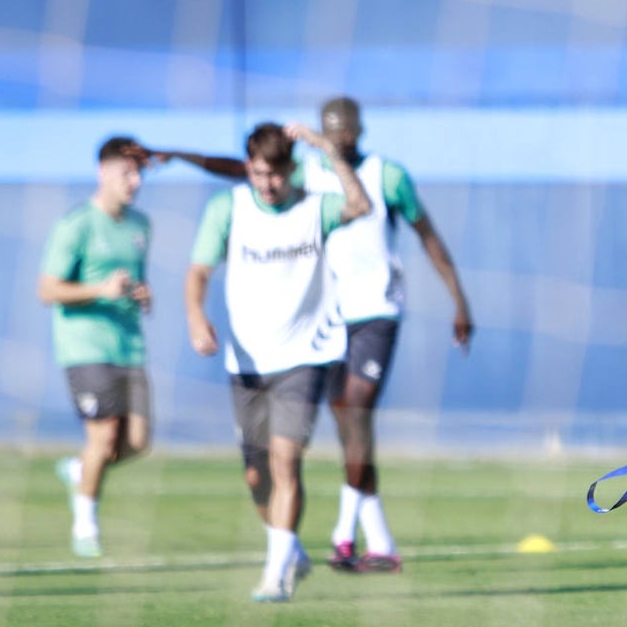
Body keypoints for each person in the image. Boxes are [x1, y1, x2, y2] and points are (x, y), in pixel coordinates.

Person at [144, 97, 474, 574]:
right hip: (326, 319)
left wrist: (458, 300)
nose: (339, 138)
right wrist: (178, 155)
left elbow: (429, 236)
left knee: (355, 413)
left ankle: (344, 533)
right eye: (329, 131)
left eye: (345, 132)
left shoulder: (386, 175)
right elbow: (241, 170)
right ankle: (374, 538)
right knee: (338, 427)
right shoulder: (299, 180)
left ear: (359, 131)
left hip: (377, 310)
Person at [184, 121, 372, 602]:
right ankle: (288, 547)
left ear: (291, 169)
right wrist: (195, 316)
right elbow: (200, 271)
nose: (265, 183)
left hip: (306, 356)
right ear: (248, 166)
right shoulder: (228, 207)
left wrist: (328, 149)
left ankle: (275, 574)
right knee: (256, 475)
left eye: (274, 174)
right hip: (246, 360)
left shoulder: (315, 208)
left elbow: (360, 205)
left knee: (286, 461)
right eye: (257, 172)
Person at [38, 136, 155, 558]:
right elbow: (47, 289)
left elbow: (133, 283)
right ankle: (85, 522)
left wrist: (143, 295)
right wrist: (100, 289)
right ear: (103, 172)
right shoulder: (76, 225)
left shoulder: (141, 225)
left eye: (140, 172)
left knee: (139, 441)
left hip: (130, 347)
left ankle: (78, 469)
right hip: (85, 346)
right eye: (127, 172)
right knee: (103, 437)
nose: (136, 181)